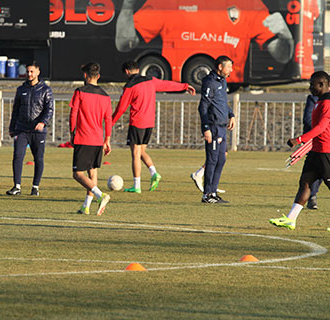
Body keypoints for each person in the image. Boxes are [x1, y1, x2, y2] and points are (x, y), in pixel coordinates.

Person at [115, 0, 294, 83]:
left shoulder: (249, 5)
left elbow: (281, 55)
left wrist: (285, 37)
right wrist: (128, 5)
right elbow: (124, 43)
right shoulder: (169, 3)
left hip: (228, 82)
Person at [112, 60, 195, 193]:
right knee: (141, 152)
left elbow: (121, 108)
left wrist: (110, 123)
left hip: (137, 123)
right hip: (149, 123)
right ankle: (154, 173)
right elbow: (167, 85)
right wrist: (185, 86)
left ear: (127, 72)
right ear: (138, 70)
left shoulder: (130, 86)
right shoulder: (150, 80)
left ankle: (137, 186)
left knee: (135, 154)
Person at [270, 71, 330, 230]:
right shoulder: (319, 101)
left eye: (313, 85)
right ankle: (291, 219)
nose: (310, 88)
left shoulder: (328, 103)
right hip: (316, 152)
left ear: (323, 85)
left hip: (326, 151)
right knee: (305, 183)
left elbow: (321, 128)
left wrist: (299, 140)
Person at [69, 62, 112, 215]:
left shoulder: (80, 92)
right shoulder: (106, 96)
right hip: (97, 139)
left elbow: (73, 114)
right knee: (92, 173)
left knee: (78, 174)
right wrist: (107, 139)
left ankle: (101, 195)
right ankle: (86, 206)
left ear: (85, 75)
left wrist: (72, 132)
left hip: (83, 138)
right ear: (98, 76)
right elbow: (108, 119)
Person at [7, 61, 53, 196]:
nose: (29, 74)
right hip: (21, 129)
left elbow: (49, 110)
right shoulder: (21, 90)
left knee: (38, 158)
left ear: (38, 72)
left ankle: (35, 187)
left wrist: (43, 123)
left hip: (38, 131)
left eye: (32, 71)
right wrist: (12, 126)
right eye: (27, 71)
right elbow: (15, 110)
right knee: (17, 156)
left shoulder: (45, 90)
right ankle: (17, 186)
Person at [198, 56, 236, 203]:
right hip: (213, 127)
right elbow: (203, 106)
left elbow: (222, 102)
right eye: (229, 67)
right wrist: (206, 128)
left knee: (221, 159)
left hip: (222, 127)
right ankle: (207, 194)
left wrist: (231, 115)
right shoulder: (209, 82)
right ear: (220, 67)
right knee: (212, 160)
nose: (231, 70)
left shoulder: (222, 81)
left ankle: (213, 192)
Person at [303, 94, 321, 209]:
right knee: (314, 171)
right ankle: (312, 196)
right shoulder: (314, 99)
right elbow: (308, 119)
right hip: (316, 142)